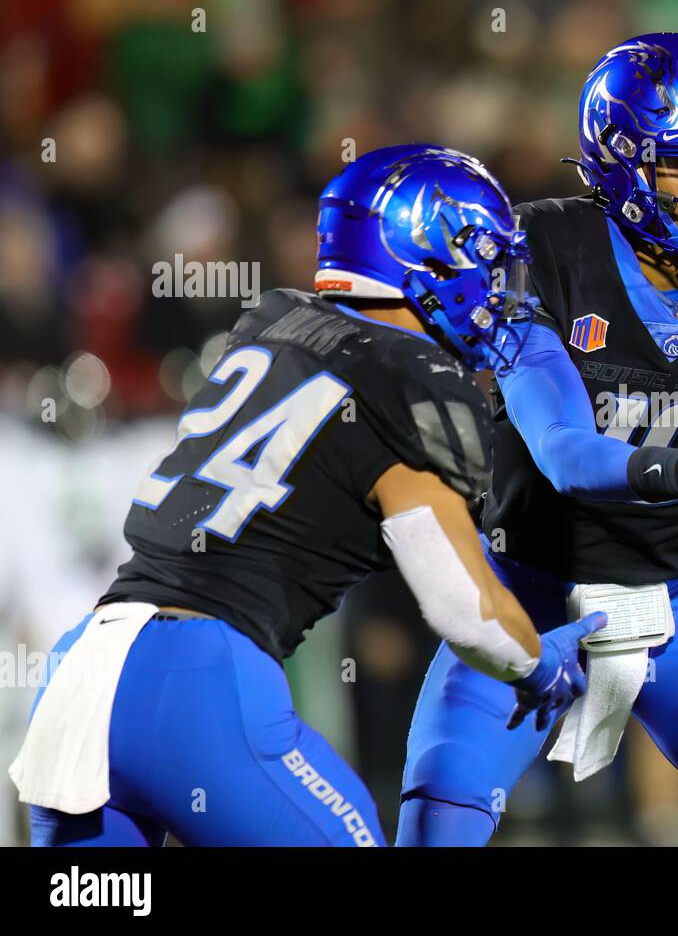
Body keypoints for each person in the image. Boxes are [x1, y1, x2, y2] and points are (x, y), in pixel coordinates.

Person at [9, 145, 603, 846]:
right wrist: (539, 666)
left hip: (82, 677)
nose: (500, 288)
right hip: (199, 685)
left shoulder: (277, 326)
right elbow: (465, 608)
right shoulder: (411, 380)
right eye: (486, 260)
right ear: (429, 258)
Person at [398, 34, 678, 847]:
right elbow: (565, 449)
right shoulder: (538, 253)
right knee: (437, 832)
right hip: (523, 600)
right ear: (618, 161)